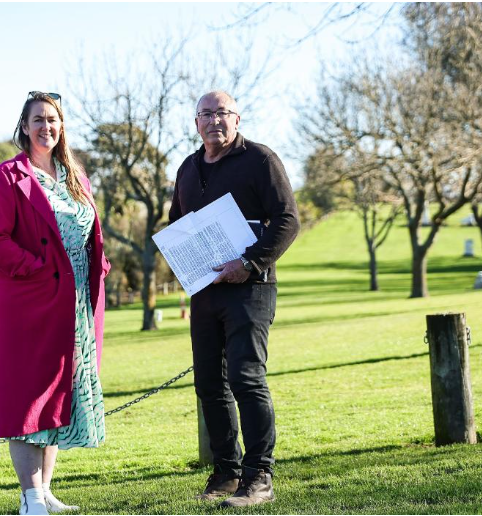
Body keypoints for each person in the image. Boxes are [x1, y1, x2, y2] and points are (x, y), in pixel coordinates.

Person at [0, 91, 112, 515]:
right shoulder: (7, 176)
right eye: (38, 119)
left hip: (74, 304)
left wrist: (99, 264)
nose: (46, 127)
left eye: (53, 119)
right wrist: (38, 269)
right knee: (26, 397)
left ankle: (45, 491)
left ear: (62, 126)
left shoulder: (75, 175)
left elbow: (89, 231)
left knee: (59, 394)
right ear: (24, 126)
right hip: (31, 302)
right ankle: (30, 497)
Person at [168, 90, 299, 507]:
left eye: (221, 113)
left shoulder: (261, 160)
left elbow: (288, 220)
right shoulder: (188, 168)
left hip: (250, 288)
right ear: (195, 123)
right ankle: (226, 472)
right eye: (205, 114)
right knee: (208, 383)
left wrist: (249, 262)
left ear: (237, 119)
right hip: (205, 293)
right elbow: (178, 222)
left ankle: (259, 476)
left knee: (245, 377)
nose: (213, 121)